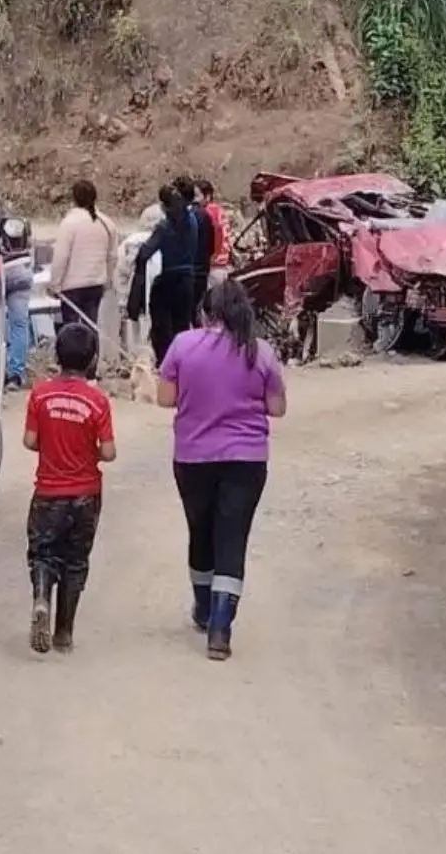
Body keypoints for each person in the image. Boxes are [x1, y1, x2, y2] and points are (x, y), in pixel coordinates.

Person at [157, 277, 287, 661]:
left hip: (193, 458)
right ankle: (220, 629)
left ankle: (202, 606)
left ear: (205, 312)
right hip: (247, 461)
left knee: (201, 532)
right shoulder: (260, 351)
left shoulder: (183, 344)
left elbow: (166, 398)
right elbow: (277, 408)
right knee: (232, 538)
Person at [23, 323, 117, 654]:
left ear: (56, 357)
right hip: (85, 495)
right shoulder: (97, 401)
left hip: (48, 493)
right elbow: (108, 452)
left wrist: (52, 446)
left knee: (43, 554)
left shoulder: (40, 395)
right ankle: (64, 632)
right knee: (76, 561)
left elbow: (30, 441)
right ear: (92, 359)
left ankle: (40, 598)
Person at [126, 185, 199, 368]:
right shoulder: (192, 222)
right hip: (188, 279)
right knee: (182, 327)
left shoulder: (164, 227)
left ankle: (165, 364)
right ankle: (183, 364)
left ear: (163, 206)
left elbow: (145, 253)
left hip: (169, 279)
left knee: (162, 328)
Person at [48, 179, 116, 333]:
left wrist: (55, 284)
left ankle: (72, 357)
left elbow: (61, 257)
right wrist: (107, 279)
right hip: (96, 284)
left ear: (74, 198)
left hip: (72, 287)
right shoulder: (107, 223)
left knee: (71, 331)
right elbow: (112, 256)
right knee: (91, 328)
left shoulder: (69, 223)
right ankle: (93, 356)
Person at [174, 175, 214, 328]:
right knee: (197, 314)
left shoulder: (183, 216)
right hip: (201, 272)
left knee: (183, 318)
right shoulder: (205, 215)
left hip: (185, 274)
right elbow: (211, 247)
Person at [1, 216, 34, 391]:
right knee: (20, 325)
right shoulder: (24, 224)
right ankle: (16, 374)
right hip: (23, 271)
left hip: (2, 271)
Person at [199, 179, 232, 285]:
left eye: (197, 196)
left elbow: (217, 234)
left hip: (214, 267)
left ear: (207, 196)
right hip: (224, 264)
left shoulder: (207, 212)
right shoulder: (220, 211)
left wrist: (212, 257)